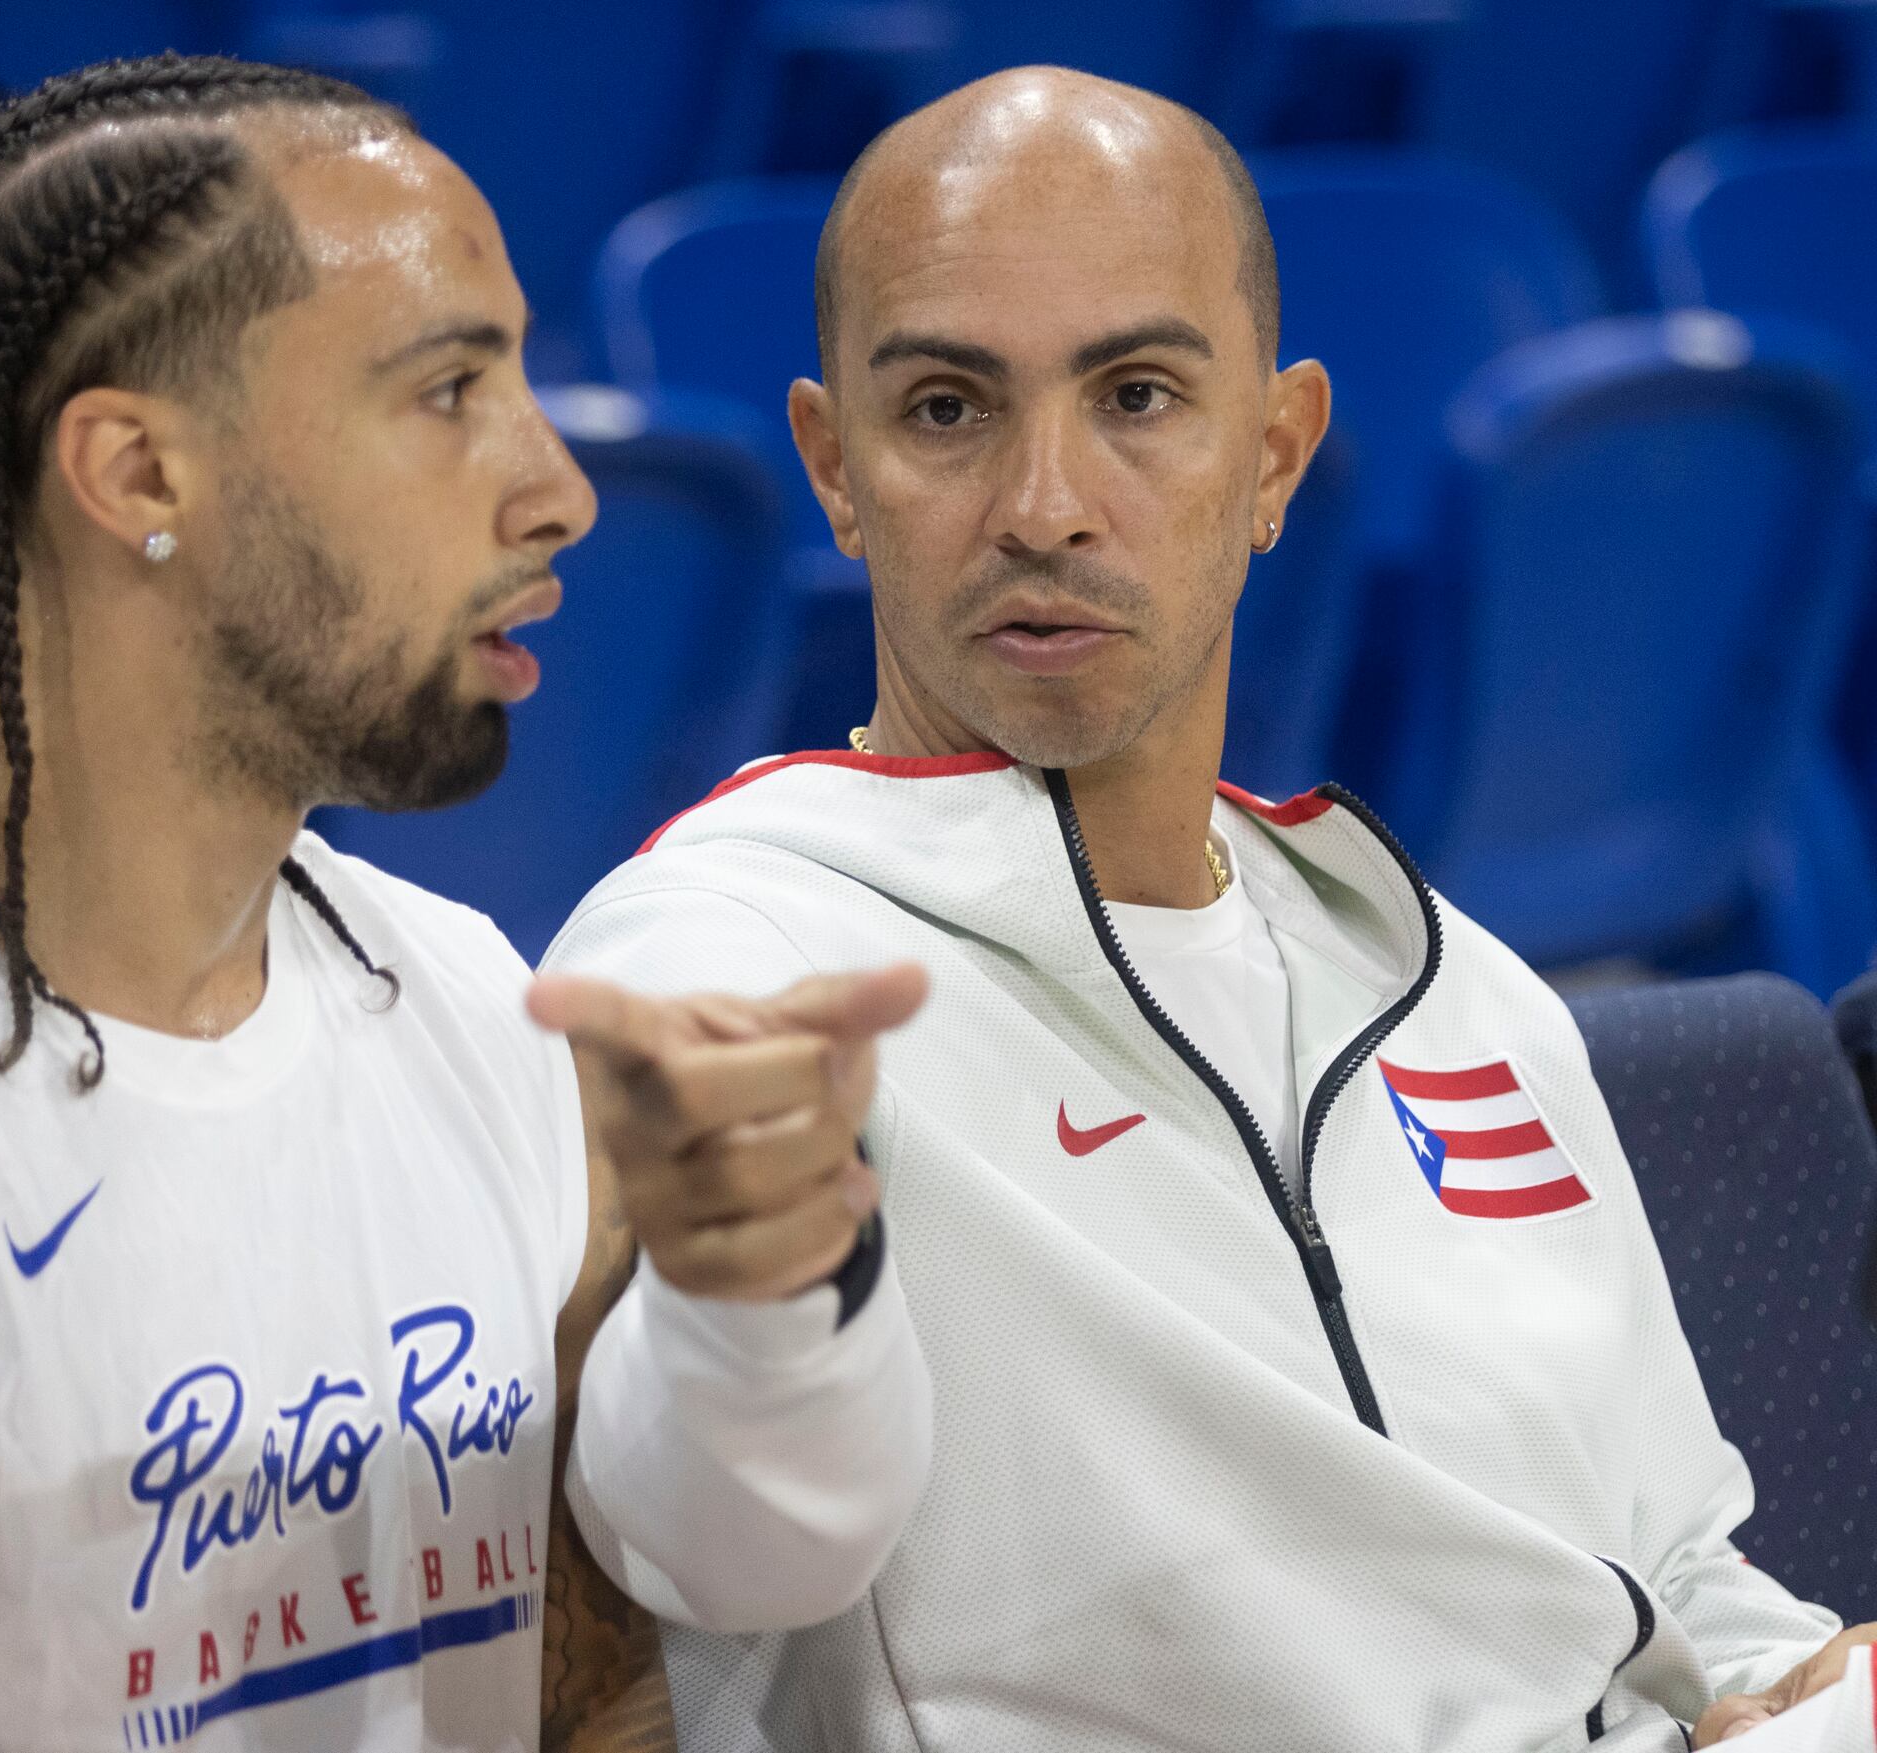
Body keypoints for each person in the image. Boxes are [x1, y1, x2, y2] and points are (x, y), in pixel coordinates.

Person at [0, 56, 934, 1752]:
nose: (558, 485)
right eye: (449, 389)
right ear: (139, 475)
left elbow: (596, 1710)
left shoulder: (474, 1010)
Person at [542, 66, 1876, 1752]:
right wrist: (753, 1314)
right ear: (834, 468)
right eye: (949, 409)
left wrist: (1802, 1684)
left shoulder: (1453, 979)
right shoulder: (736, 969)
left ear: (1275, 453)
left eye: (1139, 396)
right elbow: (698, 1541)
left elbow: (1682, 1571)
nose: (1045, 505)